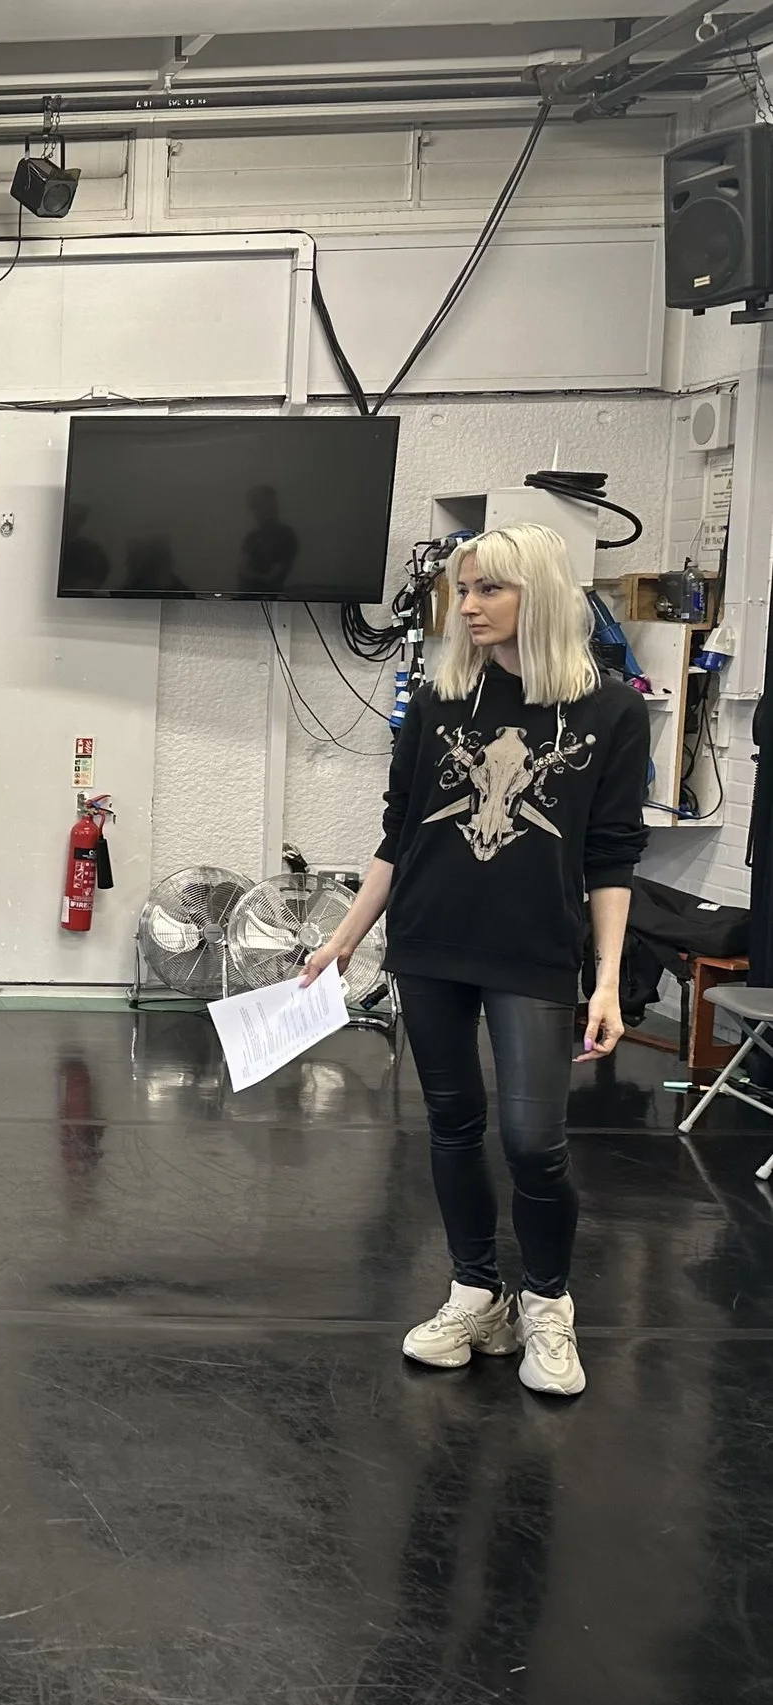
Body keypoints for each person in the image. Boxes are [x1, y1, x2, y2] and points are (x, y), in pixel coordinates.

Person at [304, 521, 647, 1398]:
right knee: (453, 1126)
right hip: (430, 944)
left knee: (534, 1143)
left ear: (541, 593)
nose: (467, 605)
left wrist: (607, 980)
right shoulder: (437, 700)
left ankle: (548, 1303)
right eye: (462, 589)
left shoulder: (610, 710)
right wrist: (346, 938)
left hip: (535, 952)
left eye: (490, 587)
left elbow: (611, 856)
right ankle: (475, 1292)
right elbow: (400, 833)